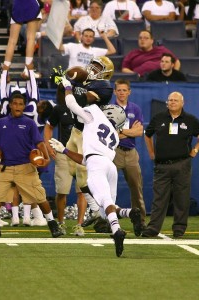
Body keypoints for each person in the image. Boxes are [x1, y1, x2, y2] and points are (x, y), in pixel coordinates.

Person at [50, 77, 127, 256]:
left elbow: (71, 103)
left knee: (104, 202)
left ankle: (117, 231)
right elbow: (87, 159)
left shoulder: (94, 112)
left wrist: (68, 86)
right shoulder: (114, 135)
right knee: (105, 207)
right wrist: (65, 151)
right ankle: (130, 213)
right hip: (109, 166)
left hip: (97, 165)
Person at [0, 90, 62, 238]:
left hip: (25, 167)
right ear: (11, 105)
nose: (18, 106)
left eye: (21, 104)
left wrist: (46, 157)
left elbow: (39, 142)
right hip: (4, 168)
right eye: (15, 103)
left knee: (40, 197)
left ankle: (52, 224)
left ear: (24, 107)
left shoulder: (29, 123)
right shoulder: (1, 123)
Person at [50, 56, 115, 228]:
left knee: (83, 171)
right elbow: (64, 99)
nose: (92, 68)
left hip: (88, 132)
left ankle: (96, 209)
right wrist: (63, 81)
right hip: (75, 130)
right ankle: (94, 209)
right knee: (73, 169)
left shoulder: (105, 86)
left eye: (97, 66)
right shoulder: (86, 80)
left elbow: (84, 99)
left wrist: (69, 83)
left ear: (106, 72)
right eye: (92, 64)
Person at [142, 91, 199, 238]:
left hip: (182, 164)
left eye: (175, 100)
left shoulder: (190, 120)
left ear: (182, 103)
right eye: (170, 100)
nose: (172, 102)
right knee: (159, 199)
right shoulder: (159, 118)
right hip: (162, 165)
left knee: (182, 198)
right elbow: (147, 135)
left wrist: (195, 149)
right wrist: (151, 153)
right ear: (167, 103)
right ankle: (153, 228)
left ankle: (179, 229)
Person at [44, 103, 87, 236]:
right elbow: (49, 126)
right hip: (63, 153)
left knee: (82, 191)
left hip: (81, 153)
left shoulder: (87, 108)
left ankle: (79, 225)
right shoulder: (59, 108)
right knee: (62, 191)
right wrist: (48, 145)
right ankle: (61, 222)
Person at [112, 79, 146, 231]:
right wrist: (128, 132)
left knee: (136, 188)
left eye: (124, 90)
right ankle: (105, 220)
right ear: (114, 92)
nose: (122, 93)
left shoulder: (135, 109)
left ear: (129, 92)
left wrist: (122, 132)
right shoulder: (109, 109)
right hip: (114, 152)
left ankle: (140, 221)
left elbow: (139, 132)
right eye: (119, 90)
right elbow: (112, 134)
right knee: (107, 188)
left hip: (131, 152)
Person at [0, 0, 42, 77]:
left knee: (12, 41)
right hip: (31, 3)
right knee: (31, 38)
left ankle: (5, 72)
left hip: (18, 5)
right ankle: (28, 70)